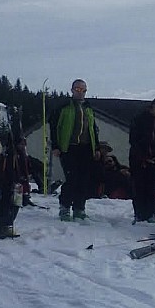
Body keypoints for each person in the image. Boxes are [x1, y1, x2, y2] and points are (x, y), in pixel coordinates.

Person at [50, 79, 99, 221]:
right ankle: (64, 207)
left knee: (83, 180)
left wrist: (95, 147)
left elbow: (93, 129)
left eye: (83, 90)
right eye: (78, 89)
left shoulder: (88, 108)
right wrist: (56, 146)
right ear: (72, 90)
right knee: (72, 179)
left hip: (85, 148)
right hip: (68, 148)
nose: (81, 93)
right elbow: (54, 127)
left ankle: (79, 208)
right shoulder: (64, 107)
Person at [129, 97, 155, 223]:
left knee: (152, 188)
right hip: (139, 159)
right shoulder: (139, 119)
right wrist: (143, 157)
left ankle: (153, 213)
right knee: (139, 187)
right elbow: (134, 141)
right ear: (153, 107)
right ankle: (140, 214)